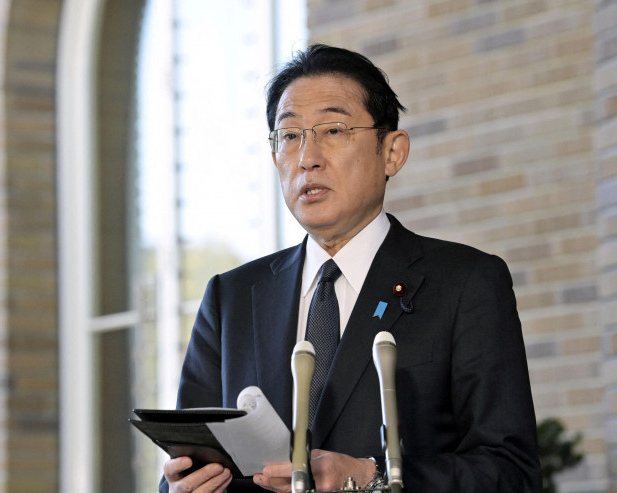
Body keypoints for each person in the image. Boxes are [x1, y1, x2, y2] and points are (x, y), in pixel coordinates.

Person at [160, 44, 541, 492]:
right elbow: (187, 465)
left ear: (392, 152)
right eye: (289, 136)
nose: (307, 157)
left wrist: (369, 478)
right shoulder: (232, 299)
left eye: (334, 130)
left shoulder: (465, 283)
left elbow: (511, 474)